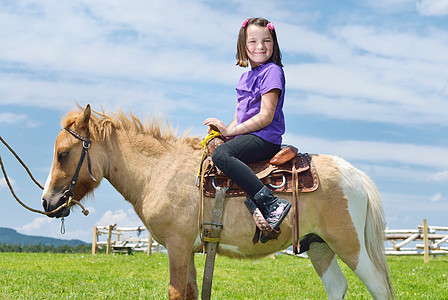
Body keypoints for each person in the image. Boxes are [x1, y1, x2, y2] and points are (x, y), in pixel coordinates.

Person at [203, 17, 291, 235]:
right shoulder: (245, 77)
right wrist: (224, 134)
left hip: (265, 138)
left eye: (266, 41)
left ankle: (271, 203)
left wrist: (230, 132)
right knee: (217, 149)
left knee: (222, 156)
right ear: (243, 46)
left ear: (274, 44)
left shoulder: (272, 71)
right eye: (253, 41)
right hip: (248, 136)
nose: (260, 47)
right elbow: (239, 118)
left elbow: (265, 116)